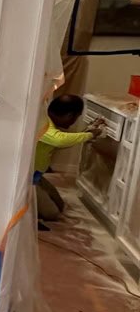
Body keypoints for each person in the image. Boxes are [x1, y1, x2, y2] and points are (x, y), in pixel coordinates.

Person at [33, 94, 102, 223]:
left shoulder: (48, 122)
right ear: (70, 115)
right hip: (28, 178)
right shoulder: (42, 124)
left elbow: (61, 142)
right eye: (76, 117)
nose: (73, 122)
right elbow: (59, 140)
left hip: (37, 175)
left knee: (59, 205)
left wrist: (86, 132)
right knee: (51, 213)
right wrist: (90, 135)